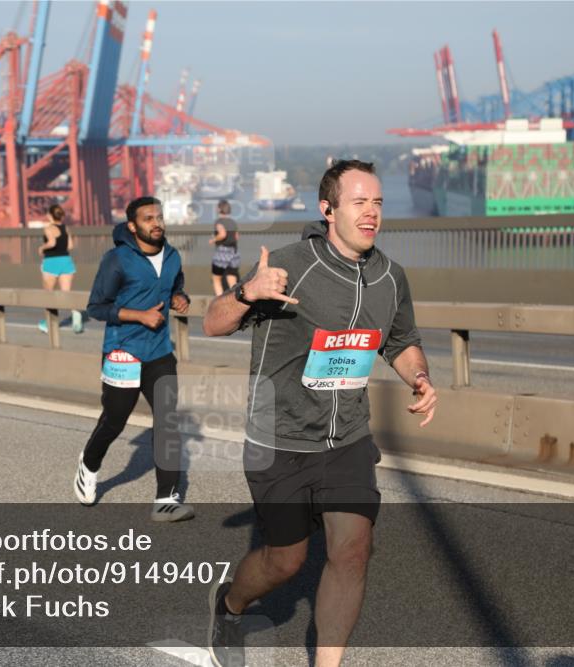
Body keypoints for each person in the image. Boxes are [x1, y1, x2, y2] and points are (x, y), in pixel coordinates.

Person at [202, 160, 438, 667]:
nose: (371, 213)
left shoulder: (390, 278)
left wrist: (419, 376)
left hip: (347, 439)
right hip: (279, 440)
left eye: (377, 202)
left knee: (352, 551)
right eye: (359, 203)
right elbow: (212, 322)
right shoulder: (289, 265)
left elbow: (401, 342)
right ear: (327, 210)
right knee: (284, 561)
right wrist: (247, 293)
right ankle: (229, 603)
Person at [74, 196, 194, 522]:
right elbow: (97, 307)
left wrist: (180, 297)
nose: (156, 223)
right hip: (122, 350)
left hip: (159, 352)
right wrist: (139, 316)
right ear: (132, 226)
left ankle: (166, 500)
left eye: (159, 217)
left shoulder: (171, 255)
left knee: (167, 420)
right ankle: (89, 462)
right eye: (148, 219)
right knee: (115, 420)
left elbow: (175, 285)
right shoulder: (117, 260)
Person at [37, 204, 84, 334]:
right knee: (66, 294)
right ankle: (76, 314)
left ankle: (48, 324)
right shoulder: (65, 228)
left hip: (51, 262)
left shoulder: (48, 228)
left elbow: (51, 243)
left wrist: (42, 248)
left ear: (50, 215)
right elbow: (70, 246)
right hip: (66, 261)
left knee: (48, 294)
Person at [208, 199, 240, 296]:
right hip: (234, 252)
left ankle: (219, 302)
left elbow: (222, 234)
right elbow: (237, 237)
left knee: (216, 279)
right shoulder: (233, 222)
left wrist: (213, 239)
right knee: (232, 279)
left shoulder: (219, 221)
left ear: (219, 209)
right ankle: (234, 302)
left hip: (222, 252)